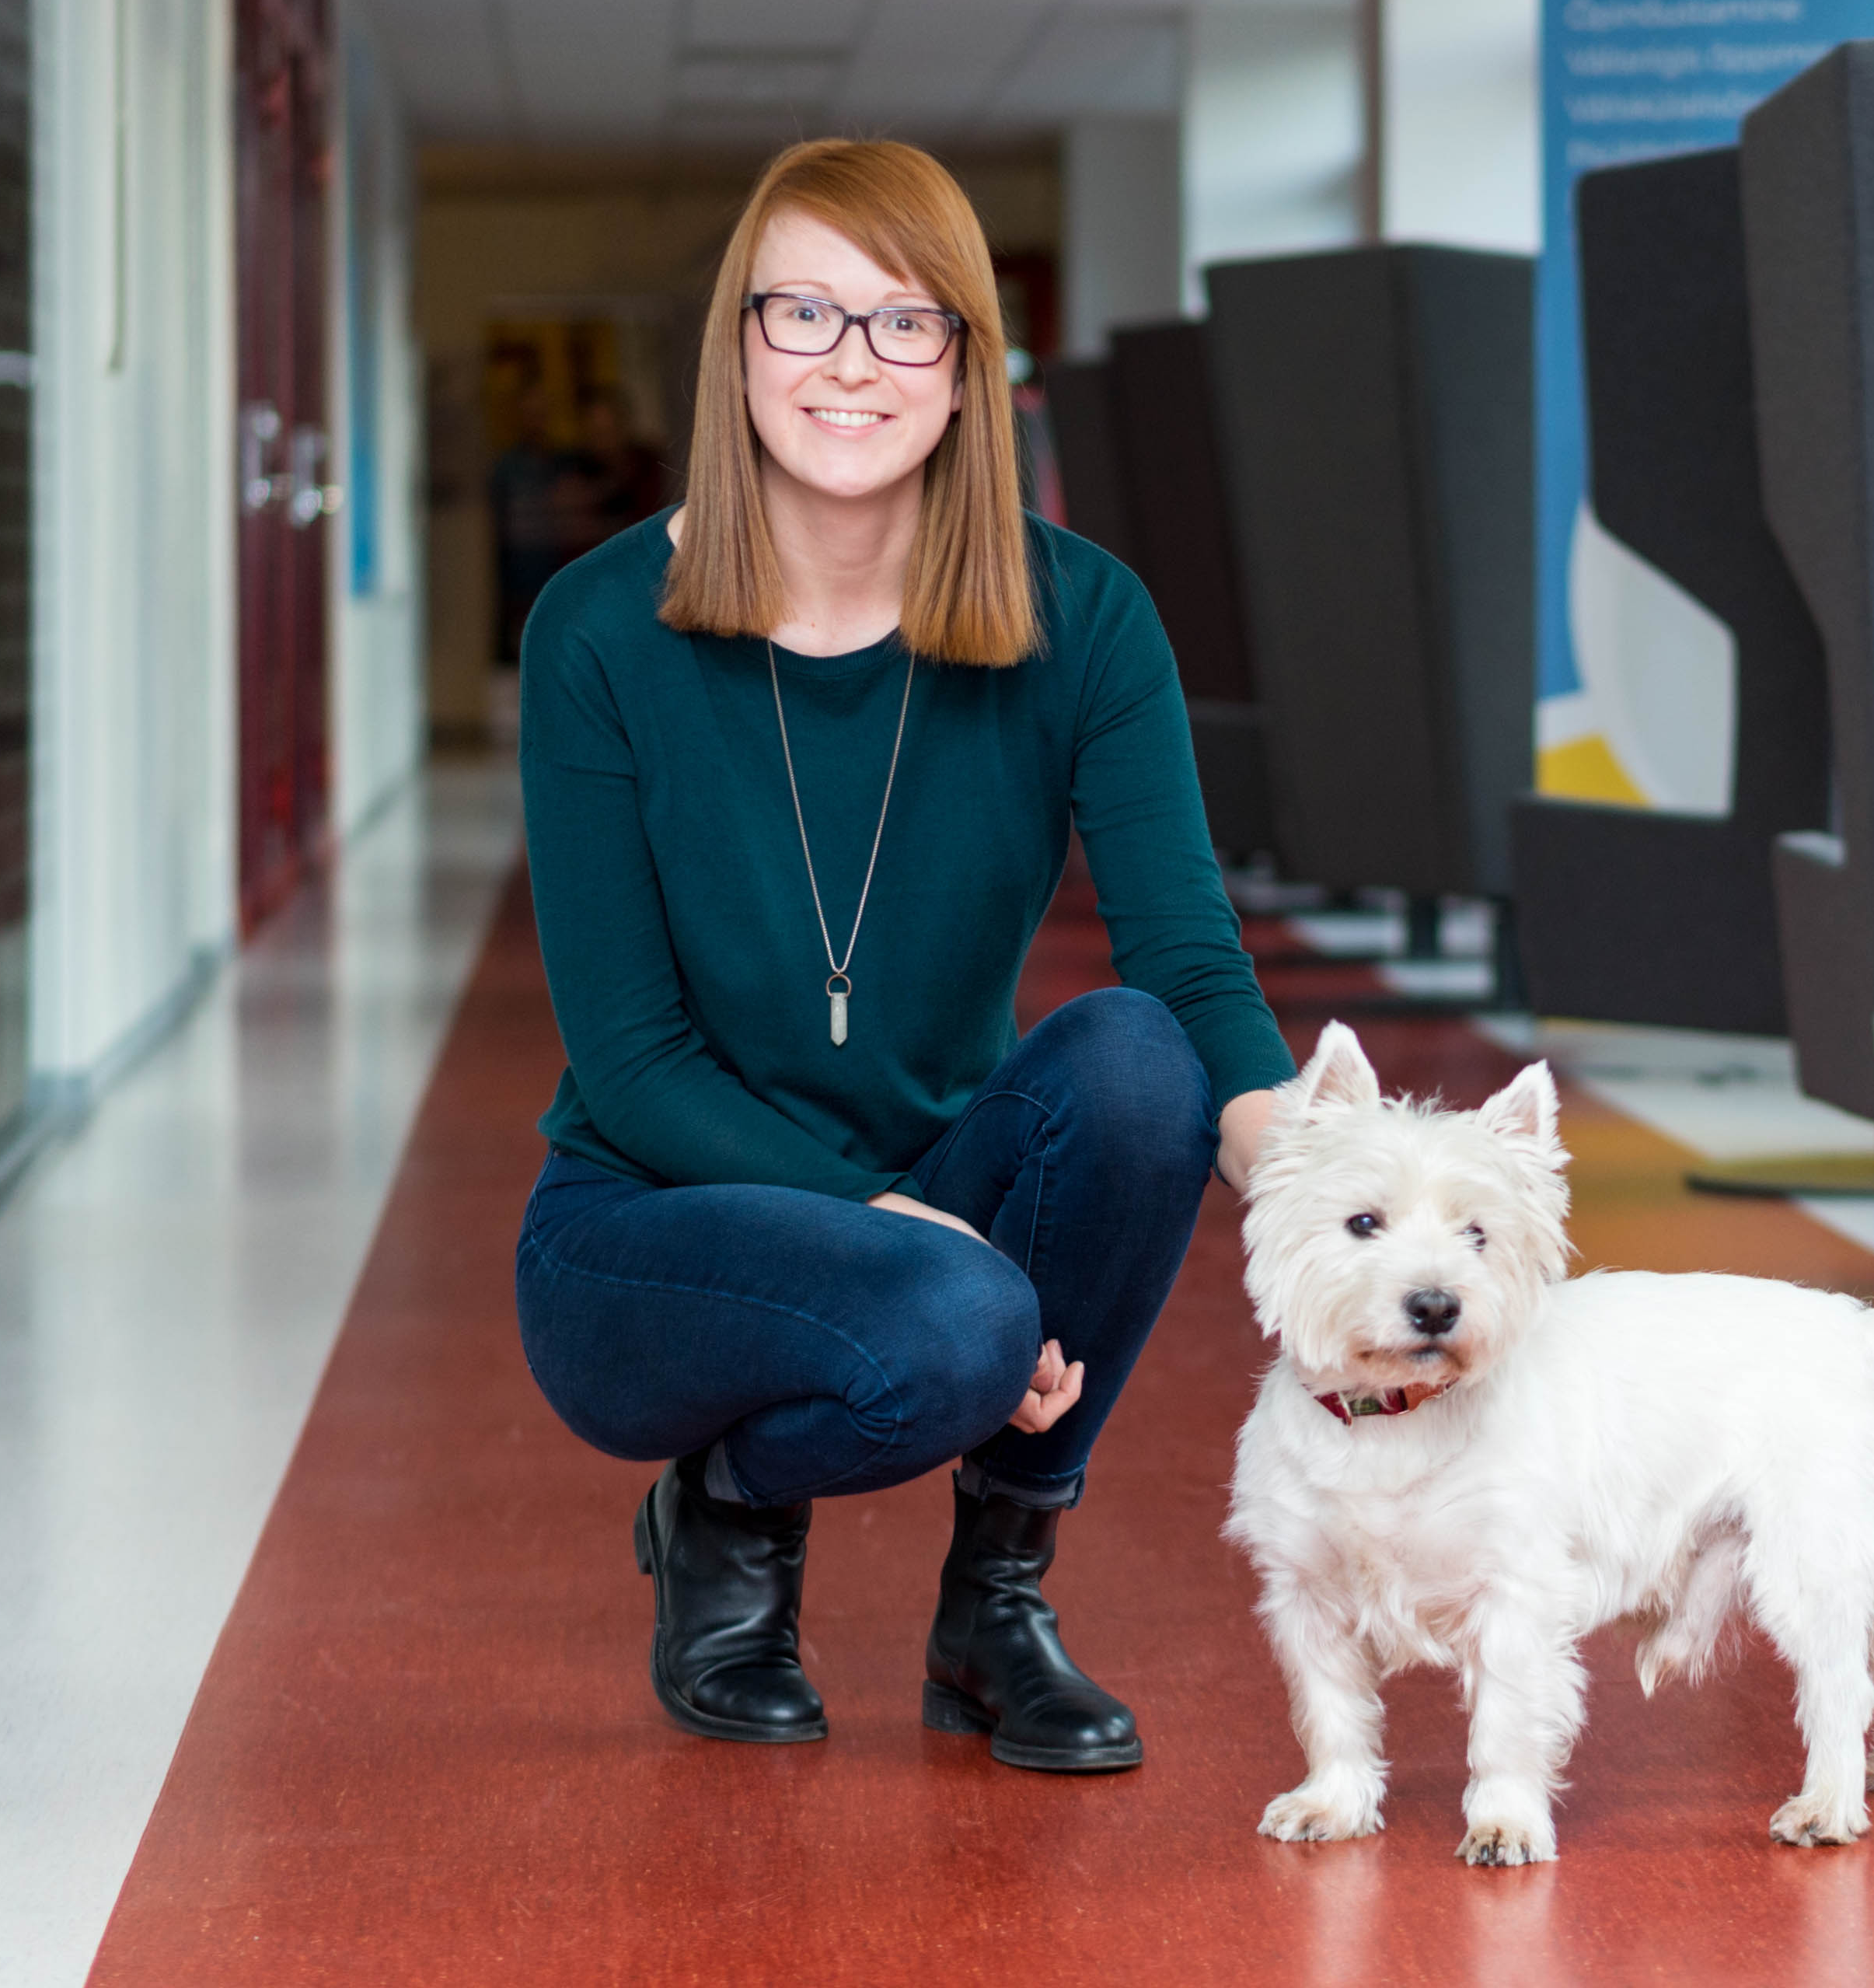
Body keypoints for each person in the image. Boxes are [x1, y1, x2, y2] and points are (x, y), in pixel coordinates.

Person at [509, 138, 1289, 1773]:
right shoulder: (600, 626)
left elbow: (1190, 966)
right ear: (739, 346)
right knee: (955, 1319)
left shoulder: (1085, 619)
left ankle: (993, 1603)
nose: (850, 362)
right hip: (650, 1221)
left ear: (965, 366)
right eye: (804, 312)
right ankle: (725, 1514)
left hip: (936, 1190)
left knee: (1136, 1065)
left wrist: (1334, 1204)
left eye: (904, 320)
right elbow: (634, 1063)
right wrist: (900, 1228)